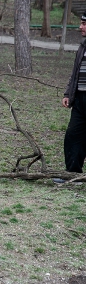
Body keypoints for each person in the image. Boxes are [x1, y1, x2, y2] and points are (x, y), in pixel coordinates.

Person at [61, 10, 86, 173]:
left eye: (84, 24)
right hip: (80, 99)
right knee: (73, 135)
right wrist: (67, 94)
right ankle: (73, 174)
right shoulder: (82, 46)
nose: (80, 27)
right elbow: (75, 73)